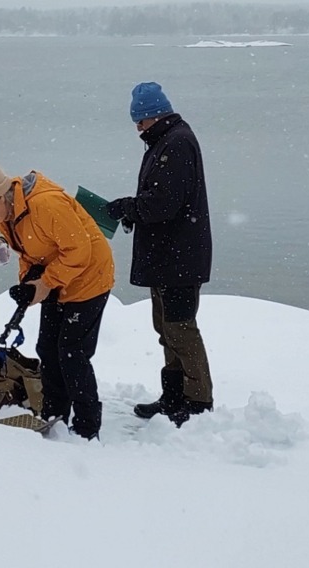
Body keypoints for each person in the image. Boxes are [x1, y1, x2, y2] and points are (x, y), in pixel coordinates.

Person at [0, 151, 115, 440]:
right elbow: (29, 250)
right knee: (47, 348)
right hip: (58, 278)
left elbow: (79, 251)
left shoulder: (46, 204)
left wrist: (45, 284)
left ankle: (86, 426)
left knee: (72, 353)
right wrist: (29, 282)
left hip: (89, 279)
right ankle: (54, 412)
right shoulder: (7, 212)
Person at [107, 81, 214, 426]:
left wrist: (129, 207)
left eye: (140, 121)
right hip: (170, 257)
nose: (138, 128)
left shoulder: (176, 143)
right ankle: (173, 396)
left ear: (155, 115)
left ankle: (197, 401)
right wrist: (133, 209)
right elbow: (161, 200)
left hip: (180, 259)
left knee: (180, 328)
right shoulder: (166, 141)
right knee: (166, 328)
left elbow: (165, 203)